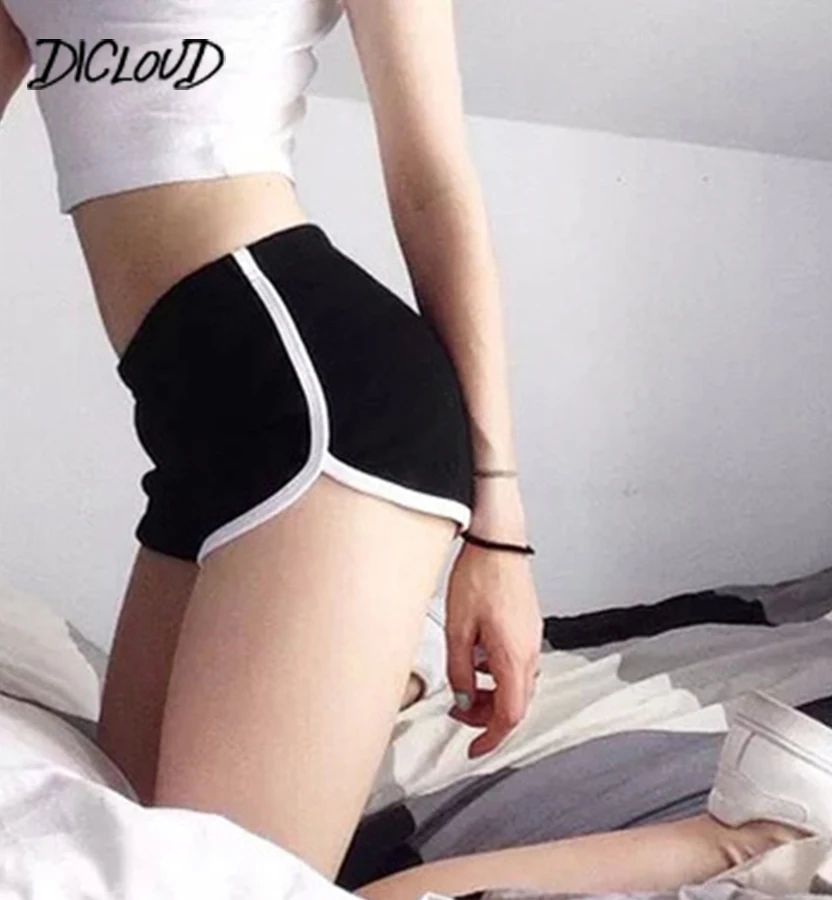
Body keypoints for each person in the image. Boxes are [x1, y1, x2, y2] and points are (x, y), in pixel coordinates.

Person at [0, 0, 542, 882]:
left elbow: (432, 184)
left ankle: (724, 842)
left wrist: (499, 532)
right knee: (121, 856)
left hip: (326, 409)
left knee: (204, 882)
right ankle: (371, 659)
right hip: (192, 430)